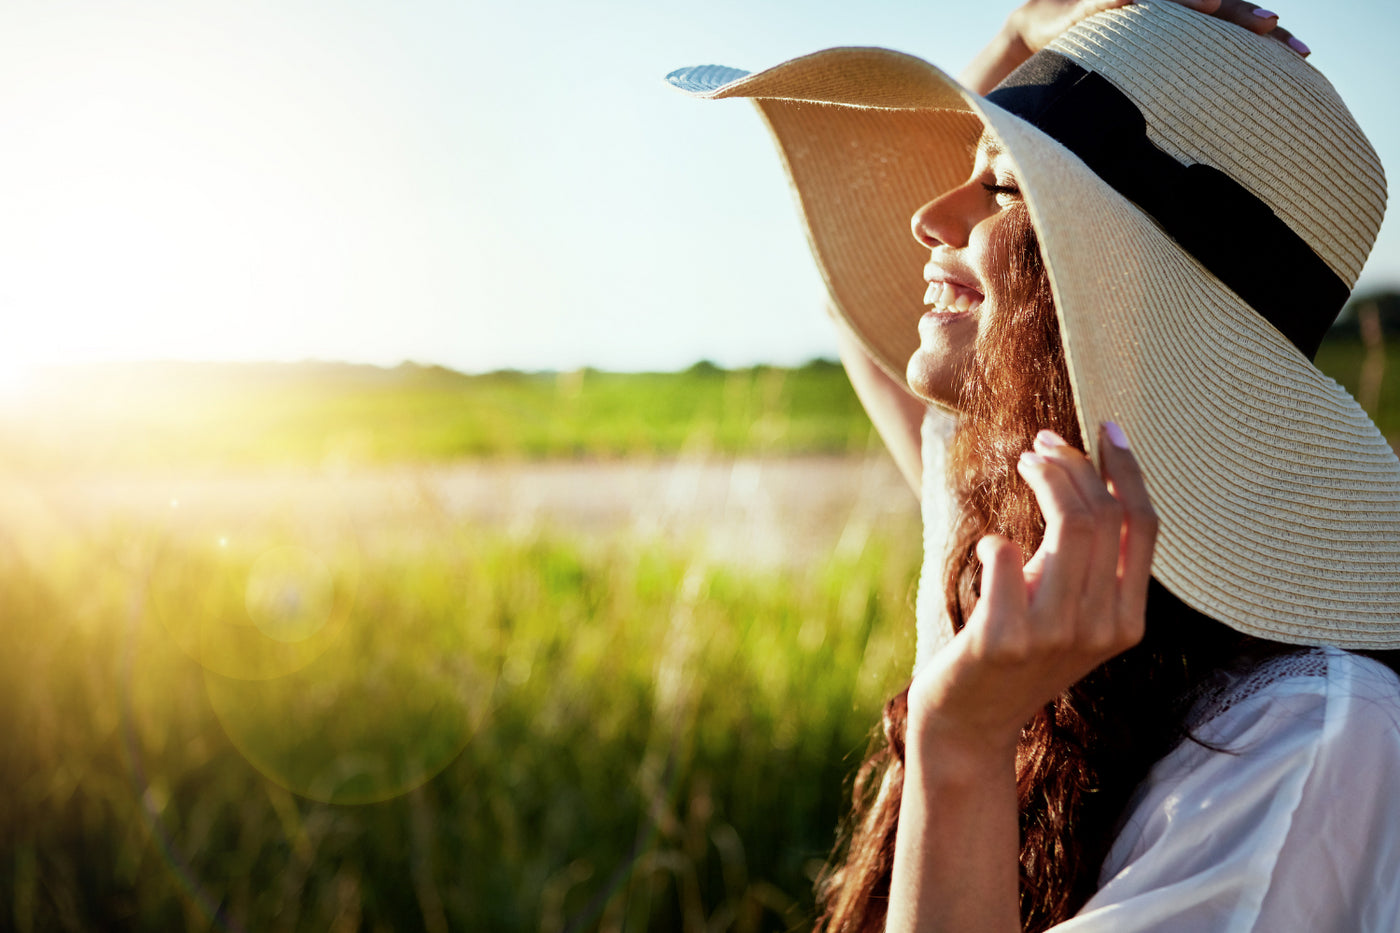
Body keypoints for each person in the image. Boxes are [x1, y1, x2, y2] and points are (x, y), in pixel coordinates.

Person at [669, 1, 1400, 930]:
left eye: (1006, 191)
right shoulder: (1021, 527)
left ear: (1129, 282)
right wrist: (1033, 27)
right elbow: (865, 323)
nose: (926, 216)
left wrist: (963, 744)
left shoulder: (1310, 751)